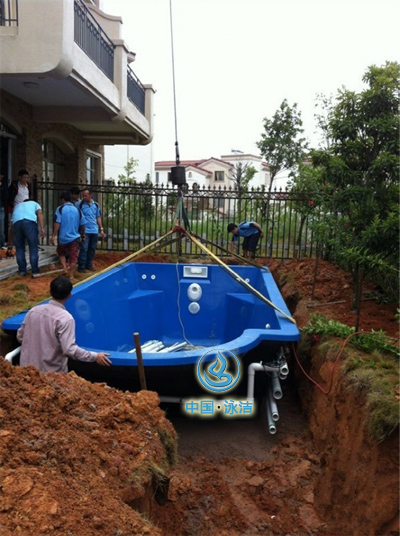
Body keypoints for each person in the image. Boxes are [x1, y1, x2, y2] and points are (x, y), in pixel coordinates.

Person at [17, 275, 111, 373]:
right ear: (69, 295)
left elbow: (20, 336)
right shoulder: (65, 318)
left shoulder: (33, 311)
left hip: (26, 373)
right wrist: (95, 356)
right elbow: (69, 350)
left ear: (50, 291)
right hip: (51, 375)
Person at [50, 190, 85, 282]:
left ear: (63, 199)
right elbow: (83, 224)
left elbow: (57, 223)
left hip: (63, 237)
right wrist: (83, 234)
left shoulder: (60, 209)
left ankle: (65, 268)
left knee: (61, 253)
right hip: (74, 237)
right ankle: (71, 275)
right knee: (73, 257)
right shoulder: (77, 210)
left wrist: (53, 235)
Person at [12, 199, 46, 277]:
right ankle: (35, 271)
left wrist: (10, 242)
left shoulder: (17, 206)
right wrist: (42, 228)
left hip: (16, 224)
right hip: (29, 222)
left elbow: (11, 227)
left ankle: (22, 271)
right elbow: (40, 213)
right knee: (33, 247)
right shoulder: (35, 203)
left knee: (19, 248)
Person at [77, 188, 105, 273]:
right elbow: (77, 217)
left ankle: (89, 265)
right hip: (85, 231)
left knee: (92, 249)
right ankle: (81, 267)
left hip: (94, 230)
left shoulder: (96, 205)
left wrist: (101, 229)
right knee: (84, 248)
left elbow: (98, 217)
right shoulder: (80, 205)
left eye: (86, 195)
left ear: (90, 195)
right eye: (83, 196)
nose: (84, 197)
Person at [7, 169, 32, 251]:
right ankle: (10, 244)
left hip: (26, 209)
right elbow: (9, 196)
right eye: (24, 177)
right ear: (19, 177)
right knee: (13, 227)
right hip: (17, 208)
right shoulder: (15, 186)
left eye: (27, 177)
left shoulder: (28, 186)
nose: (25, 179)